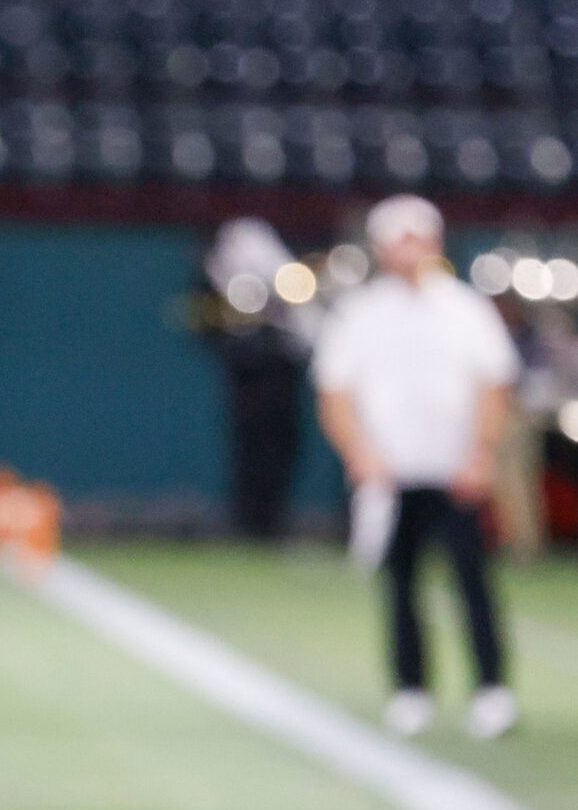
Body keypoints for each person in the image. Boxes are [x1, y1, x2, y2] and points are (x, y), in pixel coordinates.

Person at [315, 195, 521, 740]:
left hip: (456, 472)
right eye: (399, 240)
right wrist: (361, 453)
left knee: (473, 582)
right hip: (391, 474)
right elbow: (334, 392)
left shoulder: (466, 308)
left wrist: (482, 454)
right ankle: (411, 689)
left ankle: (492, 688)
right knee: (400, 585)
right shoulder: (360, 313)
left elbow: (493, 386)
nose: (409, 250)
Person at [191, 218, 318, 543]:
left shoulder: (283, 274)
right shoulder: (218, 275)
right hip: (248, 374)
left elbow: (303, 316)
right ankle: (248, 520)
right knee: (250, 445)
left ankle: (272, 518)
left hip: (282, 374)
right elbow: (205, 322)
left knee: (283, 443)